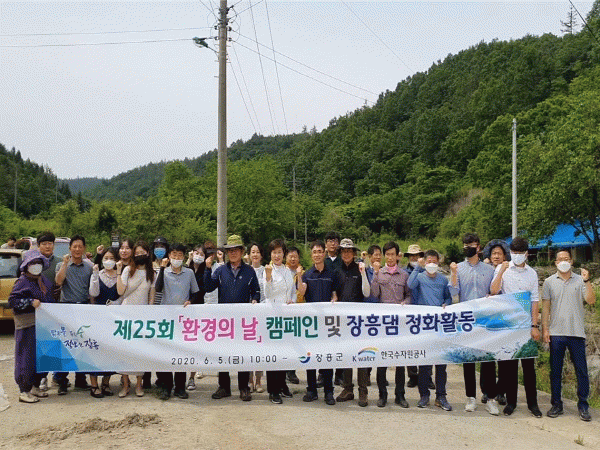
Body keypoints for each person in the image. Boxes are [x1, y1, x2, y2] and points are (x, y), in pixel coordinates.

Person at [490, 237, 542, 418]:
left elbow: (535, 300)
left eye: (520, 253)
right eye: (514, 253)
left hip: (526, 324)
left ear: (526, 254)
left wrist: (534, 325)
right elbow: (494, 291)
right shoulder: (502, 269)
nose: (517, 256)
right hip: (509, 325)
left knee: (529, 367)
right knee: (510, 367)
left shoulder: (532, 273)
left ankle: (533, 404)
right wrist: (501, 271)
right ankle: (511, 402)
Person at [205, 235, 260, 402]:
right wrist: (207, 268)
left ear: (242, 251)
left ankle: (244, 387)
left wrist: (255, 299)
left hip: (243, 321)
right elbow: (208, 287)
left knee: (243, 353)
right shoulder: (221, 270)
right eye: (230, 250)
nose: (233, 253)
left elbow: (256, 290)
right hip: (224, 321)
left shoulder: (249, 271)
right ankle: (224, 387)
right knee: (223, 353)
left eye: (236, 250)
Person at [542, 249, 595, 422]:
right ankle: (556, 404)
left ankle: (583, 405)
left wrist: (587, 280)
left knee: (581, 371)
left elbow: (591, 300)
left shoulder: (580, 280)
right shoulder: (549, 282)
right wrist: (545, 329)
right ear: (556, 262)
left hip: (576, 332)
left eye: (566, 258)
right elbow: (546, 307)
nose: (563, 261)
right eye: (560, 259)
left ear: (571, 261)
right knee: (555, 371)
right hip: (556, 333)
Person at [449, 233, 499, 416]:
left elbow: (495, 291)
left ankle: (490, 397)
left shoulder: (489, 269)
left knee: (488, 360)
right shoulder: (458, 268)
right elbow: (453, 292)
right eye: (465, 245)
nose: (468, 248)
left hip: (485, 319)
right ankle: (470, 397)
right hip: (467, 320)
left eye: (471, 245)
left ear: (478, 247)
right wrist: (453, 273)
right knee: (468, 360)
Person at [407, 250, 453, 411]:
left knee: (441, 364)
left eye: (434, 261)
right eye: (429, 261)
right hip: (424, 326)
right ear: (424, 262)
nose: (432, 264)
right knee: (424, 364)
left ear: (438, 263)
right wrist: (417, 267)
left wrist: (447, 303)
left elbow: (448, 297)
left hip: (440, 326)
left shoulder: (443, 279)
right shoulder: (419, 277)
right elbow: (410, 285)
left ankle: (441, 396)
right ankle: (424, 396)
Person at [154, 243, 200, 400]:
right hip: (166, 319)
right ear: (169, 256)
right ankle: (166, 386)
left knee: (181, 352)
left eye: (180, 255)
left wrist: (190, 301)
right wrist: (162, 268)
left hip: (183, 319)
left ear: (184, 256)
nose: (177, 258)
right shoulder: (164, 272)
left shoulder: (189, 273)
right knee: (166, 353)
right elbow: (158, 288)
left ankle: (180, 387)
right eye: (174, 254)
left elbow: (195, 292)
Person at [298, 240, 340, 406]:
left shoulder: (332, 273)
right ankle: (311, 389)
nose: (317, 254)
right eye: (314, 252)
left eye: (320, 251)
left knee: (327, 357)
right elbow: (302, 292)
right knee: (310, 356)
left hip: (327, 322)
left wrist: (334, 299)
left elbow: (335, 294)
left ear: (324, 253)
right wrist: (299, 276)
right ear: (311, 255)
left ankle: (329, 391)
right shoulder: (307, 274)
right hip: (311, 323)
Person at [9, 250, 55, 403]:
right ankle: (24, 390)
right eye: (33, 263)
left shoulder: (43, 280)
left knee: (41, 356)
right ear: (26, 265)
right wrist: (30, 302)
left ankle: (35, 385)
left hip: (42, 324)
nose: (36, 266)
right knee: (26, 356)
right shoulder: (22, 281)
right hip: (27, 325)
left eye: (38, 263)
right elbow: (12, 301)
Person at [370, 241, 411, 408]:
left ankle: (400, 395)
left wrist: (405, 303)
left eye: (393, 254)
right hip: (383, 323)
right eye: (387, 254)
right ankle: (382, 395)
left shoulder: (404, 275)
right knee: (382, 360)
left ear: (398, 256)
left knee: (400, 361)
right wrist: (375, 274)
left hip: (400, 323)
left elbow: (409, 295)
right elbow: (374, 294)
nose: (390, 257)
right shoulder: (379, 273)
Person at [115, 240, 156, 398]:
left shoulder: (151, 273)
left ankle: (139, 384)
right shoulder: (127, 270)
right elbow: (120, 291)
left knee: (140, 351)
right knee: (124, 351)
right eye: (137, 253)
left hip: (142, 317)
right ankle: (126, 385)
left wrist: (149, 313)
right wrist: (119, 272)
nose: (139, 255)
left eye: (142, 253)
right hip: (126, 315)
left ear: (147, 254)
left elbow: (151, 295)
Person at [54, 234, 94, 394]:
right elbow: (58, 281)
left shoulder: (89, 267)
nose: (77, 249)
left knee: (82, 346)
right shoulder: (61, 264)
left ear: (84, 248)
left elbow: (92, 289)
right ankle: (62, 381)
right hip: (66, 308)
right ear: (70, 248)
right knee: (65, 346)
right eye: (74, 246)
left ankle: (80, 379)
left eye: (80, 246)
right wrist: (65, 264)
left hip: (83, 308)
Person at [335, 238, 371, 407]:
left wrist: (363, 274)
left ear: (354, 253)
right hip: (342, 318)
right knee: (346, 354)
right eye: (344, 251)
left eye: (349, 251)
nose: (346, 254)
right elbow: (334, 292)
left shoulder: (361, 268)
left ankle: (363, 390)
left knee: (361, 354)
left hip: (359, 318)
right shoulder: (337, 270)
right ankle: (347, 388)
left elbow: (367, 293)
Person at [263, 239, 299, 404]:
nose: (277, 255)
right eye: (274, 252)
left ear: (283, 254)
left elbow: (292, 292)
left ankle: (282, 384)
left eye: (279, 252)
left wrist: (292, 301)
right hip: (272, 317)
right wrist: (268, 277)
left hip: (286, 317)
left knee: (284, 352)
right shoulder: (268, 269)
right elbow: (267, 294)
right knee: (273, 354)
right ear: (270, 254)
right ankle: (273, 390)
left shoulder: (287, 271)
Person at [480, 239, 511, 406]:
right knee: (487, 357)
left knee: (504, 356)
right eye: (494, 253)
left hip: (504, 318)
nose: (496, 256)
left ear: (505, 256)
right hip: (487, 318)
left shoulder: (509, 270)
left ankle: (501, 391)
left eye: (499, 253)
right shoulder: (484, 269)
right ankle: (487, 390)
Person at [88, 247, 120, 398]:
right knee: (95, 350)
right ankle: (94, 385)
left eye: (111, 258)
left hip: (113, 318)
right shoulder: (97, 274)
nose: (108, 261)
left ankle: (106, 383)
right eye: (106, 258)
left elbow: (122, 293)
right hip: (97, 317)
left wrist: (116, 303)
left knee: (110, 350)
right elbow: (93, 293)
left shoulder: (120, 275)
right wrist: (95, 275)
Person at [404, 244, 427, 389]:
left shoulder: (427, 270)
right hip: (409, 311)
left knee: (426, 345)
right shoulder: (403, 272)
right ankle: (412, 376)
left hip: (424, 311)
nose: (414, 258)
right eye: (411, 255)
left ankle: (426, 376)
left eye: (416, 255)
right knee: (410, 345)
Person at [185, 243, 207, 390]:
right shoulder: (186, 268)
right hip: (182, 309)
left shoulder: (205, 271)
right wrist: (188, 261)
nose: (198, 256)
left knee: (194, 345)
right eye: (196, 253)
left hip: (197, 309)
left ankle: (191, 377)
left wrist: (192, 301)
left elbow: (203, 289)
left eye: (201, 254)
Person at [248, 242, 266, 393]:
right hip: (247, 315)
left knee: (260, 348)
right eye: (252, 252)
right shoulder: (245, 270)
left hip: (262, 313)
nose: (255, 254)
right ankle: (249, 380)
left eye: (257, 252)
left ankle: (259, 381)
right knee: (248, 349)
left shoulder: (266, 270)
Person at [285, 246, 304, 385]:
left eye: (295, 256)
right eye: (290, 256)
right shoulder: (281, 271)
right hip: (283, 312)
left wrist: (299, 275)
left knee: (295, 342)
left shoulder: (302, 272)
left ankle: (291, 371)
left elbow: (302, 292)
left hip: (298, 311)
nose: (293, 259)